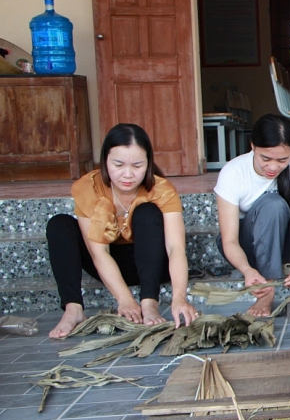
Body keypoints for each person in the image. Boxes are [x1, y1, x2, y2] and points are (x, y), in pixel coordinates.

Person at [46, 124, 199, 339]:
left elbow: (175, 248)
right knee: (59, 224)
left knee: (147, 212)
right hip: (109, 264)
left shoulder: (162, 189)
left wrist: (179, 298)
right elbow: (98, 253)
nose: (128, 174)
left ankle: (149, 303)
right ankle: (73, 309)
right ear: (105, 161)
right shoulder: (89, 188)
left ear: (148, 163)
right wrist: (125, 299)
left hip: (153, 263)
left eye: (137, 165)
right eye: (118, 165)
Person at [215, 113, 290, 316]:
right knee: (272, 204)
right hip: (252, 248)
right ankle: (267, 292)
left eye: (282, 160)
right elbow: (230, 241)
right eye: (265, 158)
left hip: (287, 245)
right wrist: (247, 270)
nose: (273, 167)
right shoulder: (233, 173)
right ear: (253, 146)